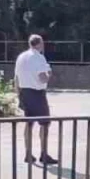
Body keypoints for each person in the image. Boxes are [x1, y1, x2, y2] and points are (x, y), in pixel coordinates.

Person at [15, 34, 57, 166]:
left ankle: (28, 153)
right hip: (37, 93)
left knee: (29, 123)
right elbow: (42, 78)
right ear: (39, 44)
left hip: (24, 92)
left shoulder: (21, 57)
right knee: (45, 123)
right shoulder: (38, 57)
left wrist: (18, 94)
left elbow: (16, 78)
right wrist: (49, 73)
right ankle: (44, 154)